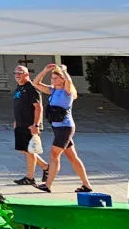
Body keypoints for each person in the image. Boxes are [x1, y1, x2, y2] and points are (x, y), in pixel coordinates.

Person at [31, 63, 93, 193]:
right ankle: (86, 185)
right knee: (72, 157)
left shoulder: (67, 92)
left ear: (62, 79)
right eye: (52, 78)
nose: (52, 80)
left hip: (65, 128)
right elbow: (35, 83)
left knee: (54, 155)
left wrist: (64, 71)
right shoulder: (53, 90)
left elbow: (69, 81)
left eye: (55, 78)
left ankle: (47, 185)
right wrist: (44, 70)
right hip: (58, 128)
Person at [9, 64, 48, 186]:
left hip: (30, 125)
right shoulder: (19, 88)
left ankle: (30, 177)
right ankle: (46, 167)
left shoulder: (31, 88)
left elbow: (38, 107)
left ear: (27, 75)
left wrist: (36, 124)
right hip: (21, 123)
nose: (17, 75)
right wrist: (16, 121)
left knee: (30, 150)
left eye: (20, 73)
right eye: (15, 73)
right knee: (24, 149)